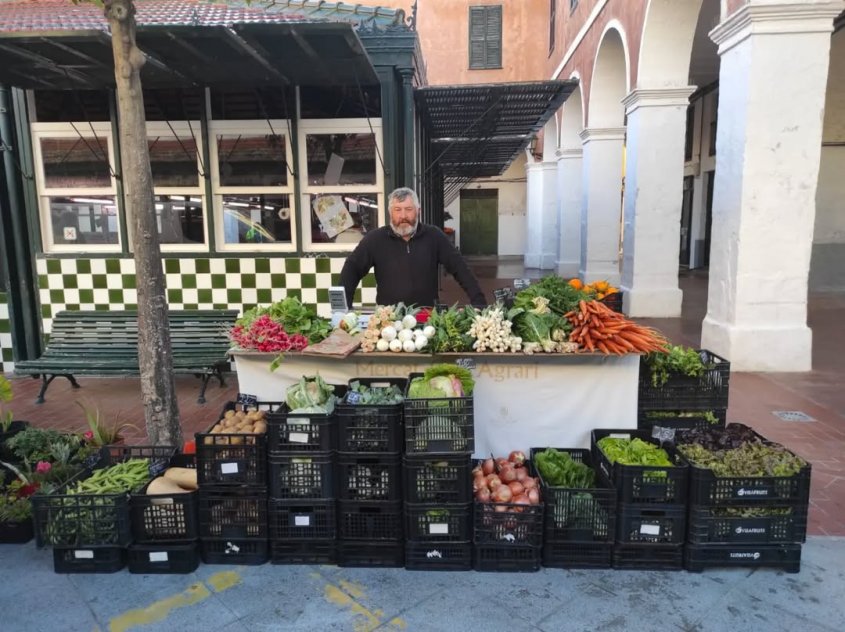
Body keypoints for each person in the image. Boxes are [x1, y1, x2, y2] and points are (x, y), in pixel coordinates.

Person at [340, 187, 487, 308]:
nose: (403, 215)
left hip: (427, 317)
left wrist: (479, 301)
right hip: (388, 319)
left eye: (408, 209)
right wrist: (343, 307)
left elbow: (459, 267)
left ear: (418, 211)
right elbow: (352, 268)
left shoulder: (434, 236)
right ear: (390, 213)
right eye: (397, 209)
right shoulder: (375, 239)